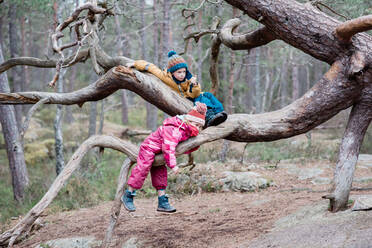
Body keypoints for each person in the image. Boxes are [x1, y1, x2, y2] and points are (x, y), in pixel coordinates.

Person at [122, 102, 207, 213]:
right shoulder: (175, 129)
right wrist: (173, 165)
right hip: (149, 147)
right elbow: (168, 147)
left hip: (159, 152)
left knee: (161, 173)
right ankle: (128, 194)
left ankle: (162, 201)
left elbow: (183, 147)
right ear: (188, 120)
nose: (198, 128)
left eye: (200, 126)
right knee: (143, 167)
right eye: (196, 125)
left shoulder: (186, 130)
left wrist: (194, 146)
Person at [126, 50, 227, 128]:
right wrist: (135, 64)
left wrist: (194, 84)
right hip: (188, 98)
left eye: (183, 71)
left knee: (208, 95)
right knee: (201, 101)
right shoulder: (165, 77)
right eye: (179, 72)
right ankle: (209, 118)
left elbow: (195, 92)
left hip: (193, 94)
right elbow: (150, 67)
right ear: (172, 72)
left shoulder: (188, 78)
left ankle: (219, 112)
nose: (182, 74)